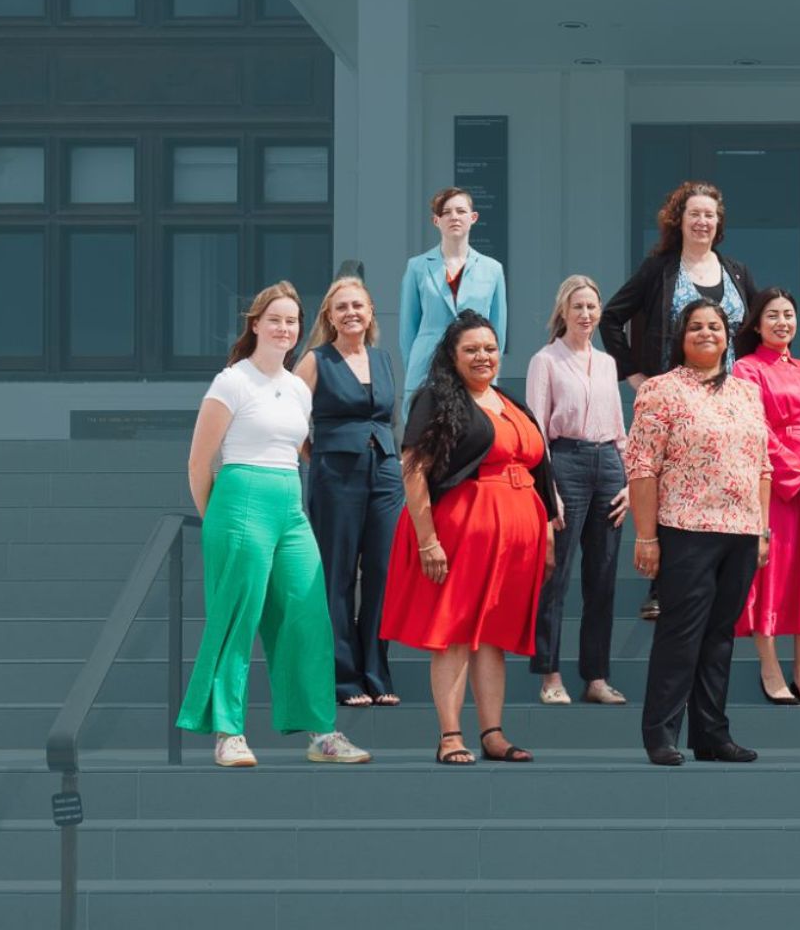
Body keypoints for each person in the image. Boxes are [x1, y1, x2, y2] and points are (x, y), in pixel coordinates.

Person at [177, 281, 371, 768]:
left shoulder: (296, 388)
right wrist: (217, 519)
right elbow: (199, 463)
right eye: (276, 320)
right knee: (237, 616)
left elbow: (300, 451)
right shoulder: (232, 381)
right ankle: (228, 733)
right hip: (240, 497)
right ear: (256, 324)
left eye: (292, 321)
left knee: (308, 612)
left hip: (289, 501)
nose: (285, 329)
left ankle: (321, 732)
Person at [381, 310, 559, 765]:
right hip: (461, 532)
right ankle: (450, 735)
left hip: (516, 538)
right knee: (455, 632)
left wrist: (547, 536)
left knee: (493, 636)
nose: (483, 357)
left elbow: (538, 470)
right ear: (453, 356)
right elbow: (414, 471)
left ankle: (493, 734)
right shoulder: (437, 399)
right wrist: (427, 540)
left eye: (490, 348)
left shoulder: (511, 402)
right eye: (472, 350)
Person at [600, 180, 757, 620]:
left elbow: (755, 327)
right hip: (673, 401)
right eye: (695, 214)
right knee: (668, 488)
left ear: (718, 223)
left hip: (726, 401)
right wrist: (634, 373)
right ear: (680, 220)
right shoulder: (660, 270)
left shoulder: (738, 272)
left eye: (710, 215)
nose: (703, 221)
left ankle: (724, 576)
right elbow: (612, 318)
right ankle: (660, 585)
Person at [625, 298, 773, 766]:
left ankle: (711, 733)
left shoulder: (747, 391)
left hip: (742, 530)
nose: (706, 333)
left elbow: (762, 466)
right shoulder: (660, 390)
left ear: (728, 337)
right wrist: (646, 537)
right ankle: (661, 734)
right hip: (685, 528)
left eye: (714, 326)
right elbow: (642, 465)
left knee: (720, 636)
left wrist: (763, 529)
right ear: (680, 337)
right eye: (695, 327)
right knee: (680, 633)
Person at [730, 287, 800, 706]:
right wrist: (797, 475)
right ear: (757, 324)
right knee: (772, 576)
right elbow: (754, 429)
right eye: (773, 315)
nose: (782, 322)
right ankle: (770, 667)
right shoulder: (746, 369)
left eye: (789, 315)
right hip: (775, 488)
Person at [294, 276, 402, 709]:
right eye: (341, 307)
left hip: (386, 476)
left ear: (371, 311)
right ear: (329, 316)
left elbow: (392, 418)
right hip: (336, 475)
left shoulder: (383, 358)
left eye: (358, 305)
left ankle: (377, 672)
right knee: (338, 577)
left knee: (382, 575)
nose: (351, 313)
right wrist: (317, 458)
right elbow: (291, 420)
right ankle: (343, 677)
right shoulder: (315, 360)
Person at [524, 275, 629, 707]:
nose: (586, 314)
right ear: (563, 312)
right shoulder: (545, 360)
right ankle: (550, 674)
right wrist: (550, 492)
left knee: (602, 577)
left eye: (591, 307)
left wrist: (625, 481)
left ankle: (596, 677)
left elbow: (620, 428)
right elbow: (534, 431)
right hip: (563, 462)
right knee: (557, 573)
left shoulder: (607, 363)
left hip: (607, 462)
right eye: (578, 307)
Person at [401, 186, 508, 394]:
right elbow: (407, 331)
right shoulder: (417, 267)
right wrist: (414, 367)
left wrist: (490, 372)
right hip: (427, 367)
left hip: (475, 365)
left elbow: (498, 332)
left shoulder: (492, 269)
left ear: (473, 217)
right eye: (446, 212)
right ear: (436, 220)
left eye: (460, 211)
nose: (454, 217)